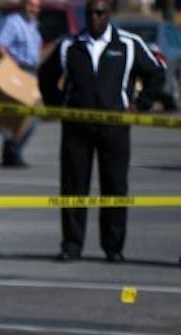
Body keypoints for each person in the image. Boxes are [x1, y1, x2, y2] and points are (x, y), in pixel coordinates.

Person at [39, 0, 164, 263]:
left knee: (115, 187)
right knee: (73, 187)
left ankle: (113, 247)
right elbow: (46, 75)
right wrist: (58, 106)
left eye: (100, 13)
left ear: (109, 14)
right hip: (77, 129)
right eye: (90, 13)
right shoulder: (69, 45)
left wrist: (140, 105)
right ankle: (72, 245)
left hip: (114, 129)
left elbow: (155, 73)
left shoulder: (128, 44)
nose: (94, 18)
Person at [0, 0, 43, 166]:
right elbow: (0, 46)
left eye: (37, 6)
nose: (34, 9)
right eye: (31, 4)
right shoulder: (14, 22)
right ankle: (13, 153)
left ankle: (11, 152)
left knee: (28, 116)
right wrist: (11, 68)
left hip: (32, 72)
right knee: (26, 116)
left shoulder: (33, 24)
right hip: (19, 72)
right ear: (23, 4)